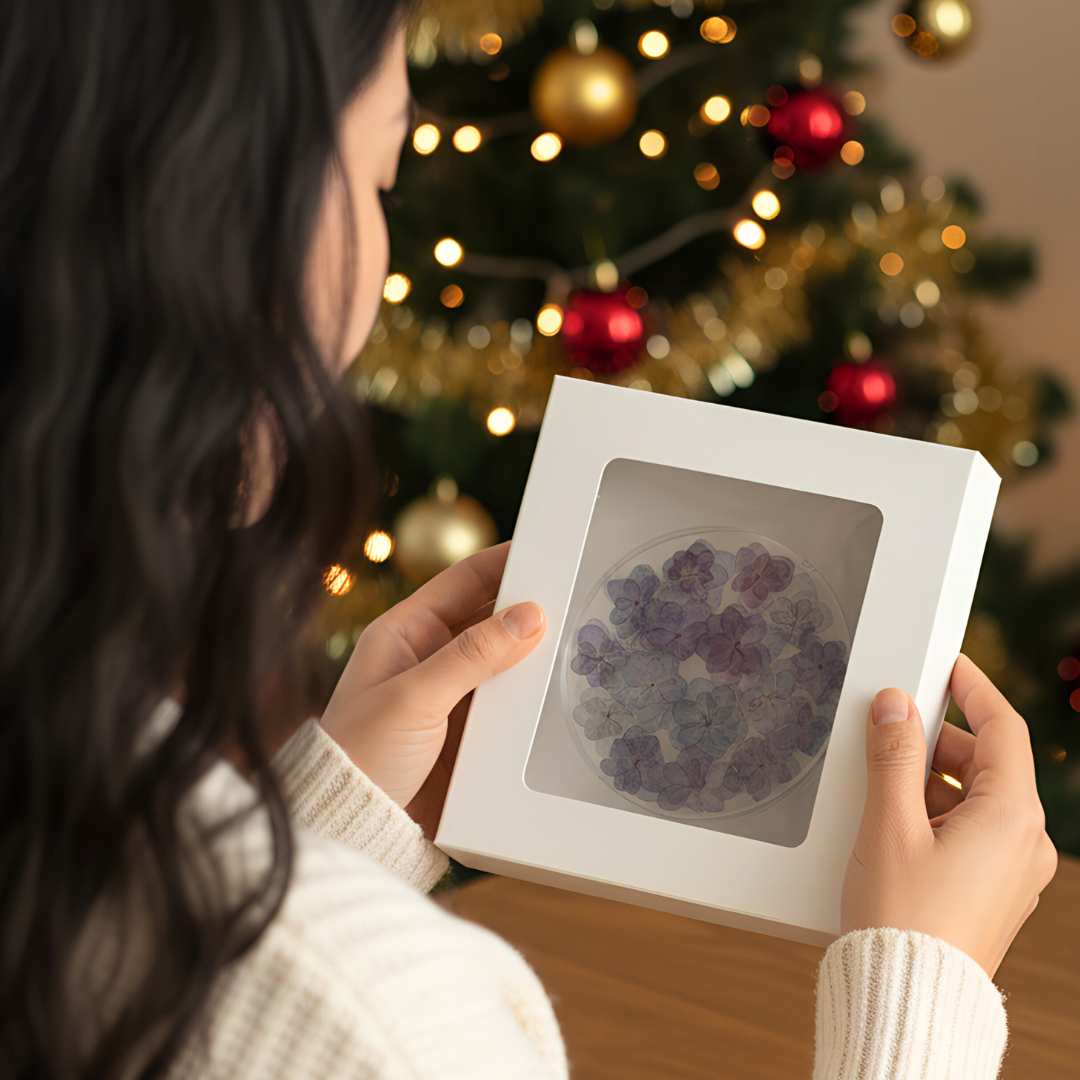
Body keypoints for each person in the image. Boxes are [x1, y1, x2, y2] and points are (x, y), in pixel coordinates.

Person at [0, 2, 1057, 1078]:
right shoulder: (384, 1024)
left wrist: (325, 849)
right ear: (214, 237)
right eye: (379, 181)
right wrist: (921, 1002)